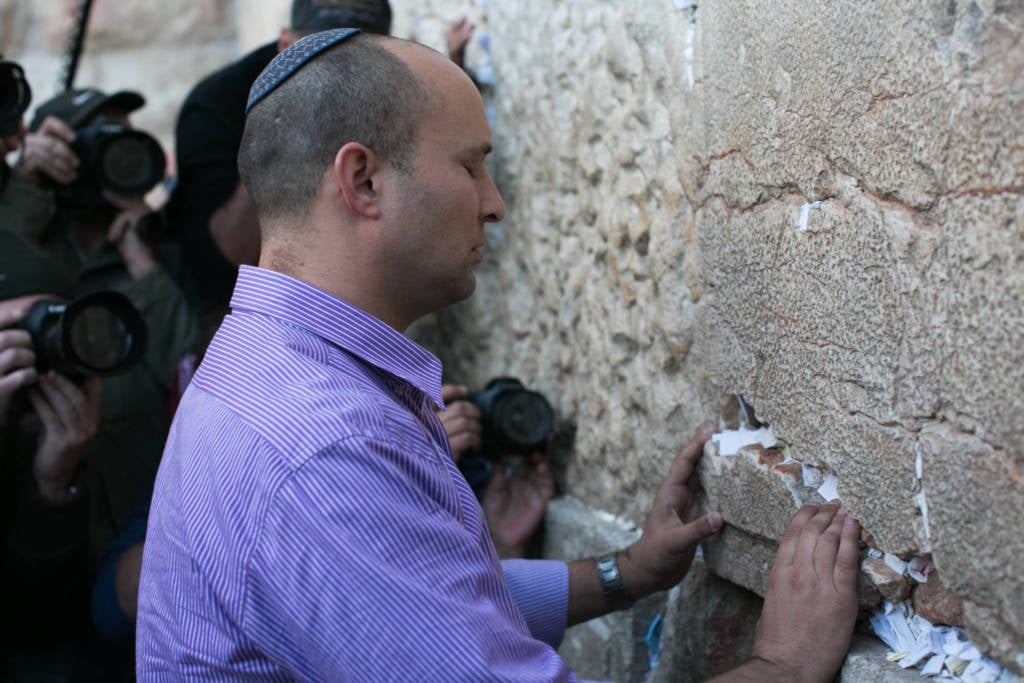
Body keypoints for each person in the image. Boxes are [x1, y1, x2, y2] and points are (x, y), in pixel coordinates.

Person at [136, 30, 861, 681]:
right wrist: (786, 664)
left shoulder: (265, 364)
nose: (495, 202)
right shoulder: (324, 445)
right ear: (362, 180)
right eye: (471, 166)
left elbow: (411, 597)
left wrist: (624, 572)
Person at [167, 0, 476, 316]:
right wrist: (284, 116)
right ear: (284, 44)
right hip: (227, 309)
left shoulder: (377, 85)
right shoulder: (214, 108)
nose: (339, 78)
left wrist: (449, 78)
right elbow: (233, 252)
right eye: (319, 56)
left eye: (358, 60)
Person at [12, 87, 198, 559]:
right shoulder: (25, 254)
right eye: (98, 142)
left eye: (126, 142)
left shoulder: (164, 256)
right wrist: (25, 185)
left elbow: (194, 374)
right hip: (43, 522)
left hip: (144, 522)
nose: (117, 157)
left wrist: (145, 268)